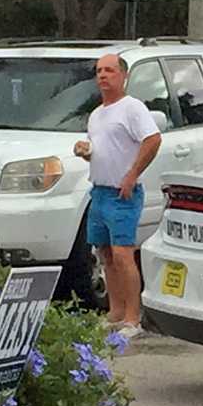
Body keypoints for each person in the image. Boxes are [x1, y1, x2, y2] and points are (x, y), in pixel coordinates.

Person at [74, 54, 161, 338]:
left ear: (123, 76)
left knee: (124, 254)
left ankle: (134, 318)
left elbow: (152, 139)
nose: (103, 76)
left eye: (109, 70)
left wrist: (132, 174)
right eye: (99, 71)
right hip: (99, 191)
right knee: (105, 253)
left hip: (123, 193)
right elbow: (105, 151)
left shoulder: (132, 108)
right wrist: (87, 152)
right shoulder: (96, 114)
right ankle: (116, 311)